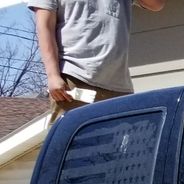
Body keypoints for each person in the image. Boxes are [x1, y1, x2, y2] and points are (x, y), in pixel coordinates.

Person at [29, 0, 167, 120]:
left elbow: (156, 4)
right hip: (74, 80)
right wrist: (53, 75)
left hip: (119, 86)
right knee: (75, 146)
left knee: (118, 148)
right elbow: (45, 27)